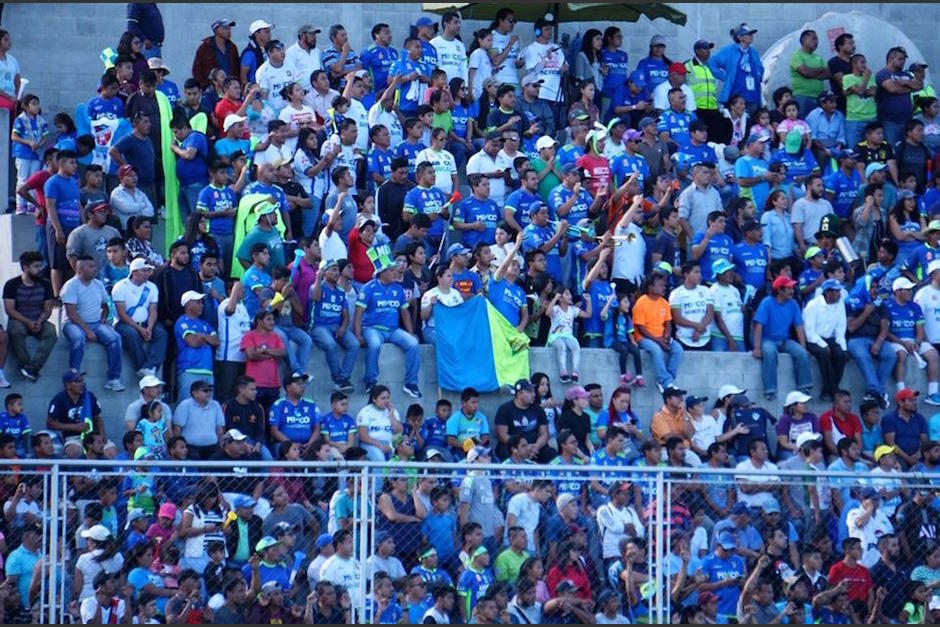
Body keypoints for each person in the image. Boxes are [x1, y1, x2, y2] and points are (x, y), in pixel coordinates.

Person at [353, 250, 421, 398]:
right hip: (372, 328)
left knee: (413, 343)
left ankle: (411, 383)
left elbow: (405, 312)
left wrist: (410, 332)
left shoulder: (398, 289)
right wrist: (358, 334)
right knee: (375, 345)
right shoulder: (368, 288)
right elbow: (358, 314)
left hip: (393, 329)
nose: (395, 273)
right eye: (391, 270)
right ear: (382, 272)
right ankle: (370, 381)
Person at [61, 256, 124, 391]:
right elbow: (71, 312)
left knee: (115, 338)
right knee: (78, 338)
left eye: (95, 266)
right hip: (73, 324)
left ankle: (113, 378)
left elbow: (105, 305)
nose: (95, 269)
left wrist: (104, 316)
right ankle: (74, 376)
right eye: (91, 266)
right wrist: (87, 331)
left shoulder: (98, 284)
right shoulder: (71, 285)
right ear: (80, 269)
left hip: (96, 323)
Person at [752, 275, 812, 401]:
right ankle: (770, 389)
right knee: (769, 352)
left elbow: (799, 326)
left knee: (801, 353)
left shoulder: (793, 304)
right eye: (789, 288)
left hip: (785, 339)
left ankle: (804, 387)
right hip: (768, 339)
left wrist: (803, 347)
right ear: (779, 290)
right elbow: (758, 325)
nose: (792, 291)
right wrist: (757, 348)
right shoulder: (767, 302)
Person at [3, 251, 56, 382]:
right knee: (15, 330)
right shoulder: (12, 285)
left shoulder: (45, 284)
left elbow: (48, 308)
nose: (40, 269)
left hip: (38, 319)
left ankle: (33, 367)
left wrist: (39, 321)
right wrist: (28, 322)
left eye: (40, 266)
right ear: (26, 267)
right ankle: (25, 365)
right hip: (19, 319)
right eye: (36, 266)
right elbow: (9, 309)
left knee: (51, 332)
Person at [112, 257, 167, 379]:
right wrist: (140, 329)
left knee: (161, 333)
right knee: (132, 334)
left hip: (146, 322)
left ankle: (150, 367)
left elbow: (153, 310)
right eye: (144, 271)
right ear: (134, 272)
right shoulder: (120, 286)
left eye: (148, 271)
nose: (147, 274)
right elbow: (122, 313)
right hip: (125, 323)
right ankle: (145, 369)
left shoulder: (152, 287)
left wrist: (150, 327)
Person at [803, 279, 848, 400]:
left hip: (830, 338)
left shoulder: (840, 304)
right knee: (823, 354)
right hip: (814, 339)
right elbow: (809, 331)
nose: (839, 294)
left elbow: (840, 329)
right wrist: (823, 344)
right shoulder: (813, 305)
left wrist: (843, 348)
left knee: (841, 355)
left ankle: (830, 389)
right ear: (827, 293)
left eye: (839, 291)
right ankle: (833, 390)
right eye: (836, 291)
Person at [709, 23, 763, 114]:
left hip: (753, 96)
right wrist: (724, 76)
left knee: (750, 125)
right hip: (736, 97)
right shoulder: (729, 51)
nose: (751, 36)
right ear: (739, 37)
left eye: (752, 34)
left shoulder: (753, 52)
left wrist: (759, 75)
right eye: (748, 34)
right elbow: (711, 62)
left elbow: (760, 68)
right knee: (735, 125)